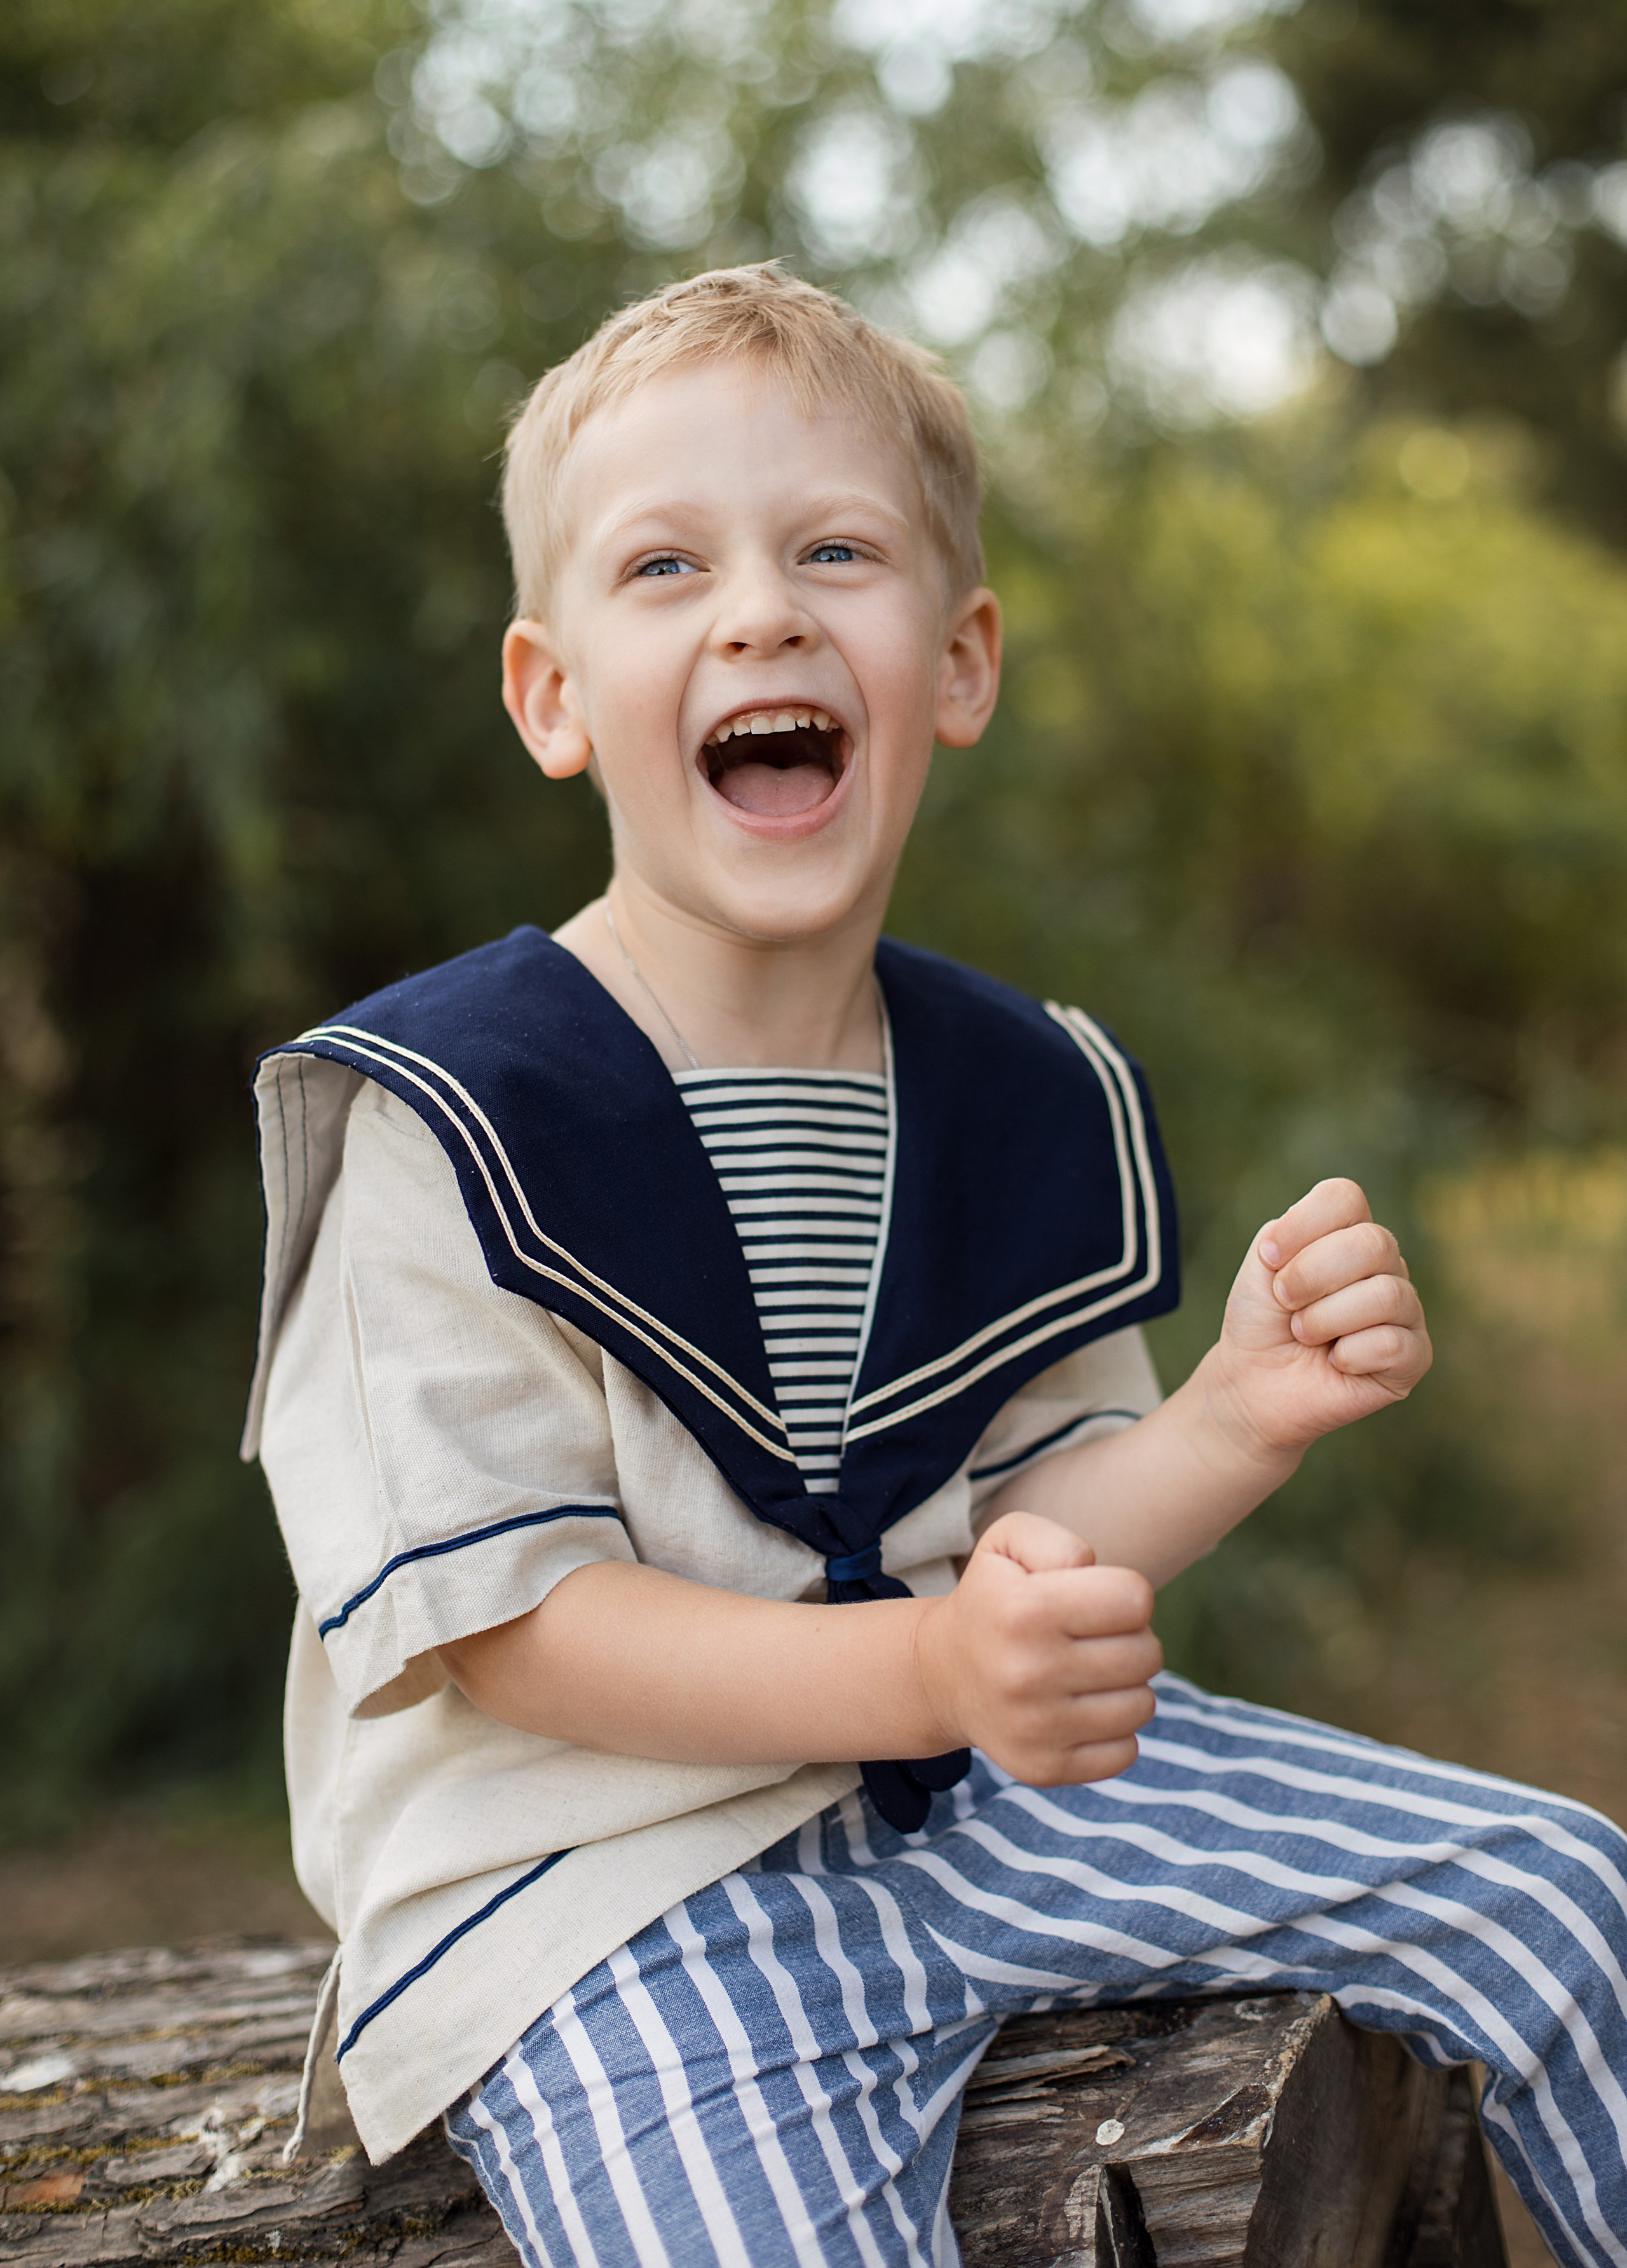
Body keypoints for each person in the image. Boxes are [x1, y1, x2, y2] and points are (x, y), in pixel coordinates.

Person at [246, 265, 1627, 2268]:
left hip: (975, 1794)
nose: (763, 610)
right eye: (665, 567)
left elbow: (1036, 1546)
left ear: (960, 661)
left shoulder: (1020, 1085)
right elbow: (503, 1626)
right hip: (600, 1883)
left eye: (835, 550)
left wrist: (1237, 1417)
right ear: (552, 695)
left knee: (1561, 1901)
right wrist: (925, 1667)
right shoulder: (442, 1113)